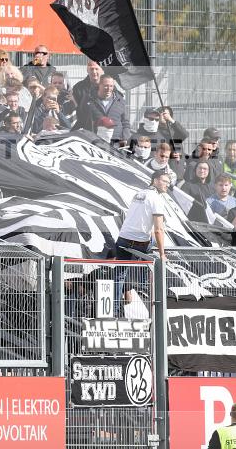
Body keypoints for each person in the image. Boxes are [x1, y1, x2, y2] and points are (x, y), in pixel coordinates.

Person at [113, 170, 169, 313]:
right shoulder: (157, 199)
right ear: (155, 181)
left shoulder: (139, 193)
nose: (167, 185)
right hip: (139, 242)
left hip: (123, 238)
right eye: (164, 181)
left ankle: (115, 310)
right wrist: (162, 254)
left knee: (119, 275)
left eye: (168, 182)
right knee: (155, 252)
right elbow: (158, 230)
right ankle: (143, 285)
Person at [77, 74, 130, 146]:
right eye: (106, 85)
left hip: (116, 144)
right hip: (94, 143)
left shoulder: (120, 101)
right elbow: (81, 119)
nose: (109, 88)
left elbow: (125, 122)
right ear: (99, 85)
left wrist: (125, 138)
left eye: (111, 86)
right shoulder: (88, 100)